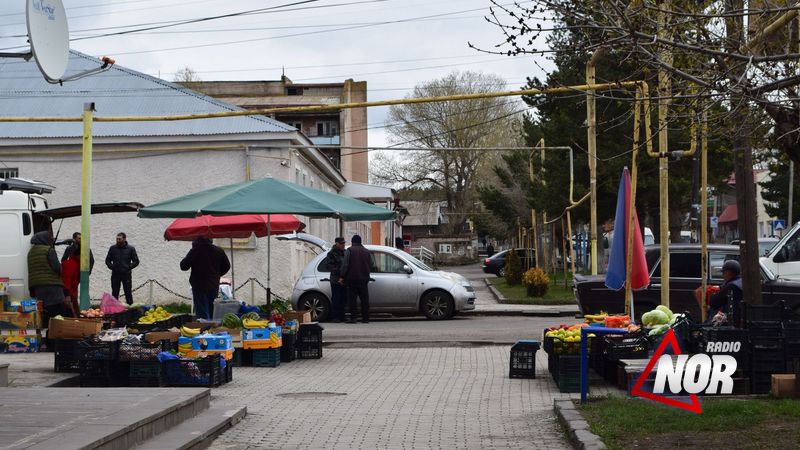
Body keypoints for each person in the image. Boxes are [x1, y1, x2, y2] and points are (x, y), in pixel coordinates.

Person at [180, 236, 231, 320]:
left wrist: (192, 251)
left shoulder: (195, 251)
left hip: (198, 285)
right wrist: (217, 275)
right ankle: (211, 329)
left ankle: (204, 330)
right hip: (213, 285)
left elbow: (183, 266)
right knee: (212, 311)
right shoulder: (218, 250)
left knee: (202, 314)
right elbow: (227, 266)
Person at [27, 231, 68, 325]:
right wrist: (61, 269)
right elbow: (57, 268)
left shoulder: (31, 252)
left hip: (38, 287)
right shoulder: (49, 250)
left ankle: (46, 331)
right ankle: (58, 331)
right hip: (52, 285)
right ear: (44, 239)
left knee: (45, 310)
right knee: (58, 310)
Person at [694, 259, 743, 325]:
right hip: (739, 316)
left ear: (728, 272)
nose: (723, 275)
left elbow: (714, 302)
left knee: (715, 311)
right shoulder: (740, 281)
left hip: (733, 320)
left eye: (723, 273)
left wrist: (713, 294)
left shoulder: (732, 286)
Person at [340, 234, 372, 324]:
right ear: (360, 241)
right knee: (364, 299)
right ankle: (365, 318)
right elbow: (371, 264)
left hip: (352, 279)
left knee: (352, 300)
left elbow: (345, 265)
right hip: (364, 279)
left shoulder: (349, 251)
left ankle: (353, 318)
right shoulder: (367, 252)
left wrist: (342, 276)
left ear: (352, 242)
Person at [105, 232, 139, 305]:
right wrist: (112, 267)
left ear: (124, 239)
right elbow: (107, 260)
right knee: (114, 293)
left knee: (128, 293)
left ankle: (130, 310)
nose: (118, 240)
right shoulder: (112, 248)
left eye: (119, 239)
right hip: (115, 274)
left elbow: (136, 261)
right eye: (117, 239)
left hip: (126, 274)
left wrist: (128, 267)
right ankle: (114, 311)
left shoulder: (131, 249)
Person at [326, 237, 347, 323]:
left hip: (344, 279)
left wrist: (343, 277)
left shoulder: (345, 253)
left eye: (344, 243)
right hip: (336, 280)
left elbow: (346, 265)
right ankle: (335, 317)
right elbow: (329, 266)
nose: (343, 245)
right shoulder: (331, 253)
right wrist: (339, 277)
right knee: (336, 299)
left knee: (344, 299)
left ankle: (342, 316)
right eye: (341, 243)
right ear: (337, 244)